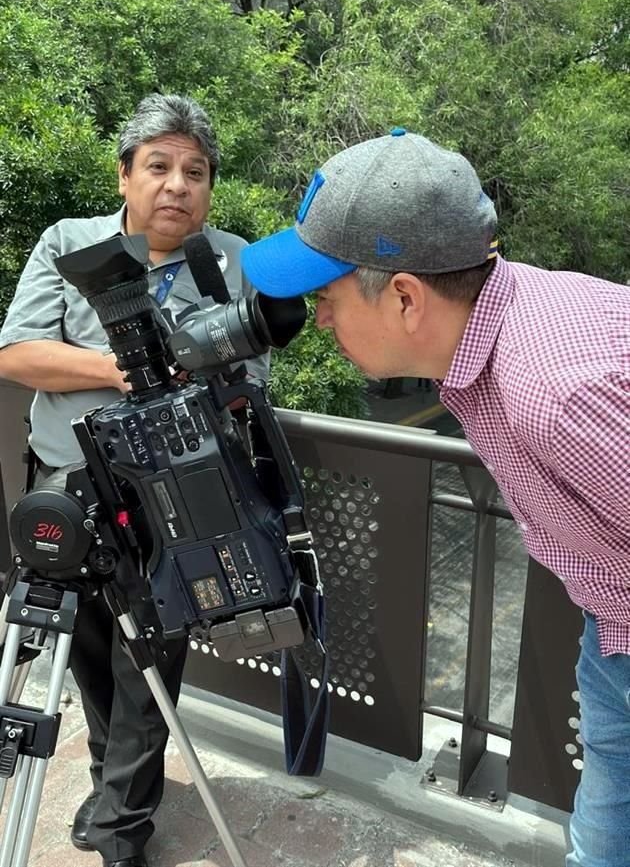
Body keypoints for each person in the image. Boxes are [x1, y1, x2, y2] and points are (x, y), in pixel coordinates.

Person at [240, 128, 630, 867]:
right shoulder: (505, 325)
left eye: (326, 297)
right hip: (611, 630)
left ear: (407, 299)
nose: (319, 321)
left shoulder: (555, 389)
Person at [0, 93, 268, 867]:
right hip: (70, 483)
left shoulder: (230, 259)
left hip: (175, 494)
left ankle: (122, 825)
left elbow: (250, 374)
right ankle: (108, 781)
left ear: (210, 187)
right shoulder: (68, 242)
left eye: (196, 171)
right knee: (85, 646)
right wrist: (122, 370)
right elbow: (17, 352)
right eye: (159, 166)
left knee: (152, 650)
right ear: (124, 175)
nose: (177, 184)